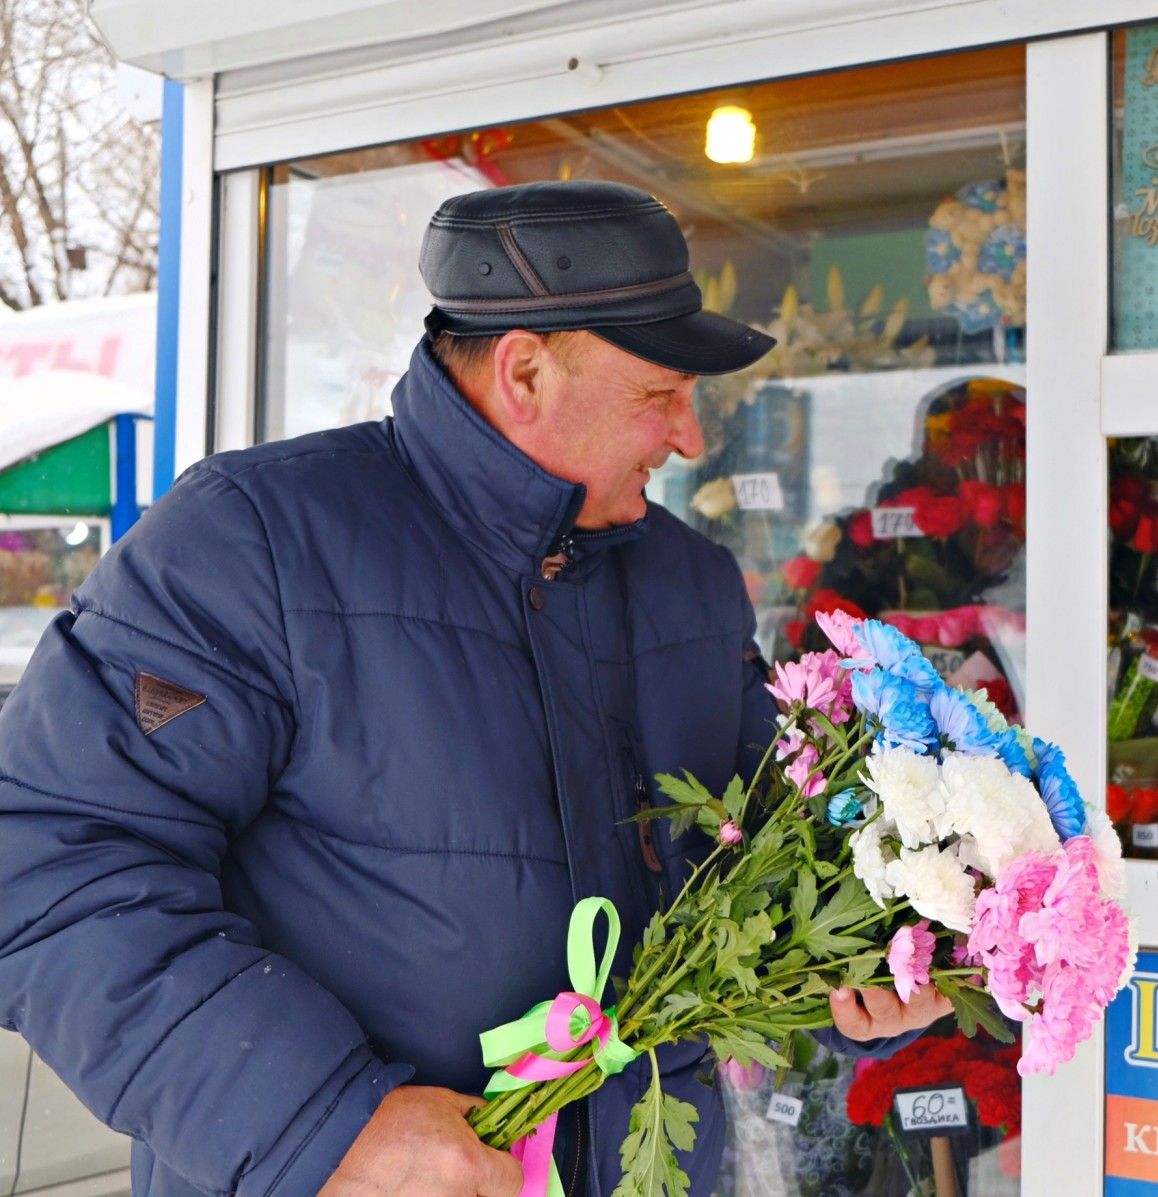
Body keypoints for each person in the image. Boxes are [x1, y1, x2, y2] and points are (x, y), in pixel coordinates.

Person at [0, 181, 947, 1197]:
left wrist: (868, 951)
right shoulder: (254, 542)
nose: (690, 438)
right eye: (659, 395)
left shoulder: (693, 584)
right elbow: (51, 861)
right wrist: (326, 1127)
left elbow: (771, 849)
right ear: (526, 371)